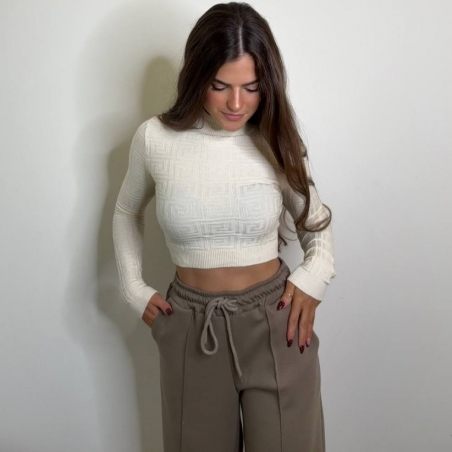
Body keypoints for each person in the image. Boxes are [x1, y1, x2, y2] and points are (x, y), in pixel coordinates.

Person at [112, 2, 336, 451]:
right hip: (191, 326)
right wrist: (132, 288)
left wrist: (315, 275)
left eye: (251, 88)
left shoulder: (275, 138)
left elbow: (315, 223)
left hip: (276, 322)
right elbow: (126, 211)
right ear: (197, 77)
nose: (237, 104)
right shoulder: (155, 139)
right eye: (220, 86)